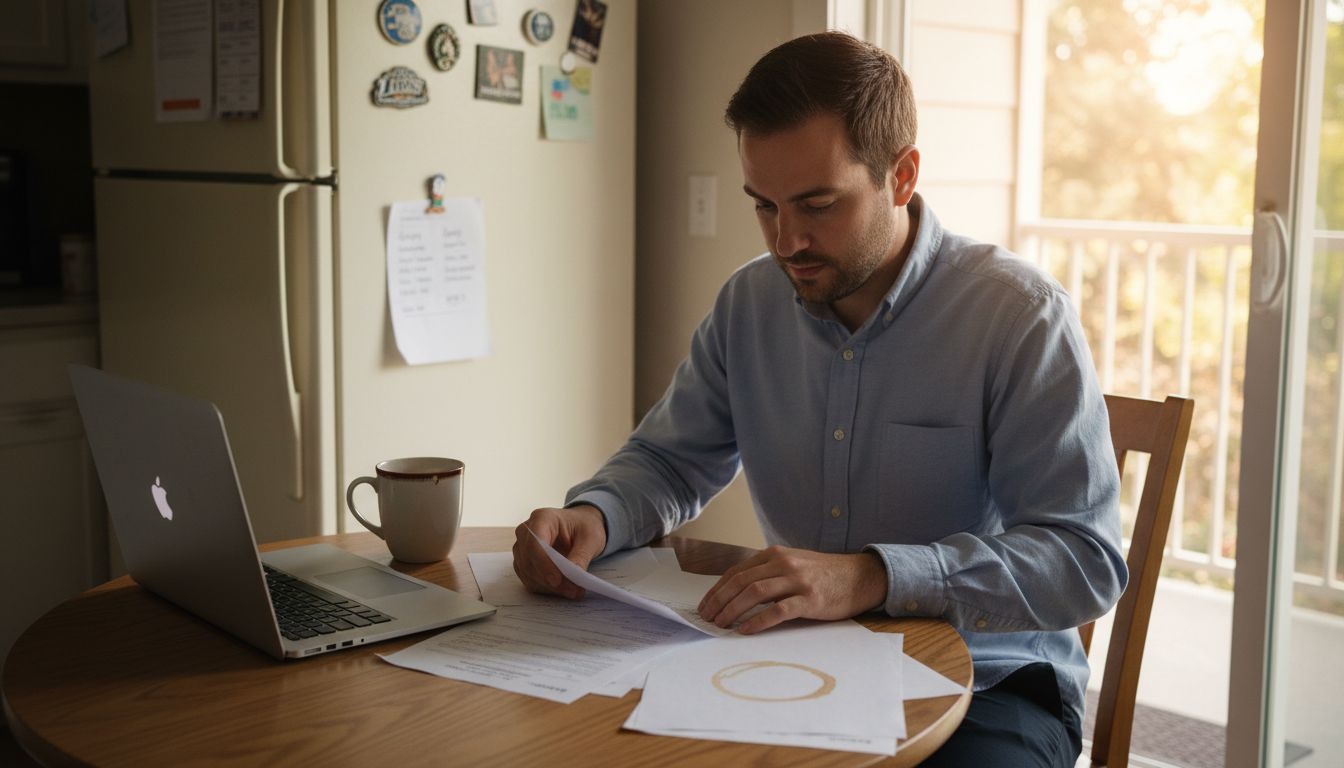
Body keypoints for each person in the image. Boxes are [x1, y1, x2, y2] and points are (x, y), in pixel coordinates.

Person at [512, 31, 1126, 767]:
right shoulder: (749, 304)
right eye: (764, 207)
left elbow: (1083, 560)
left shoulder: (1018, 316)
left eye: (817, 205)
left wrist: (872, 575)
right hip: (790, 666)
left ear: (902, 177)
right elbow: (669, 463)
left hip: (988, 687)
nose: (786, 241)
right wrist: (596, 515)